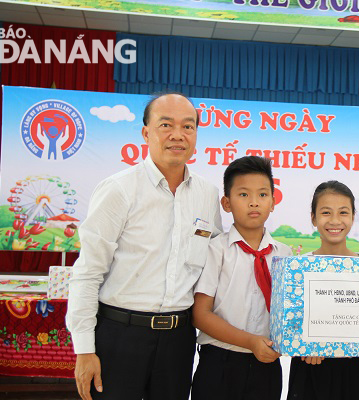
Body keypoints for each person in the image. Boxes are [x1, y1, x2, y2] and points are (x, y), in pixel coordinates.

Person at [66, 92, 222, 400]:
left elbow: (213, 267)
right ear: (146, 132)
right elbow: (87, 272)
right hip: (119, 336)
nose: (178, 135)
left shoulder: (207, 194)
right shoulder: (119, 190)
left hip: (178, 340)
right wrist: (84, 349)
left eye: (188, 127)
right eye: (166, 125)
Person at [191, 156, 292, 400]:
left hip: (266, 365)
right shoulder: (215, 249)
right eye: (244, 195)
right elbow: (200, 315)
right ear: (226, 203)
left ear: (273, 202)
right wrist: (250, 341)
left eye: (263, 195)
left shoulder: (284, 255)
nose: (254, 203)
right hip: (219, 362)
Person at [287, 180, 359, 400]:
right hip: (308, 369)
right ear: (313, 218)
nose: (335, 221)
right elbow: (290, 323)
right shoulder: (297, 268)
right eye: (326, 212)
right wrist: (301, 345)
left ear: (353, 217)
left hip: (357, 371)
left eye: (343, 212)